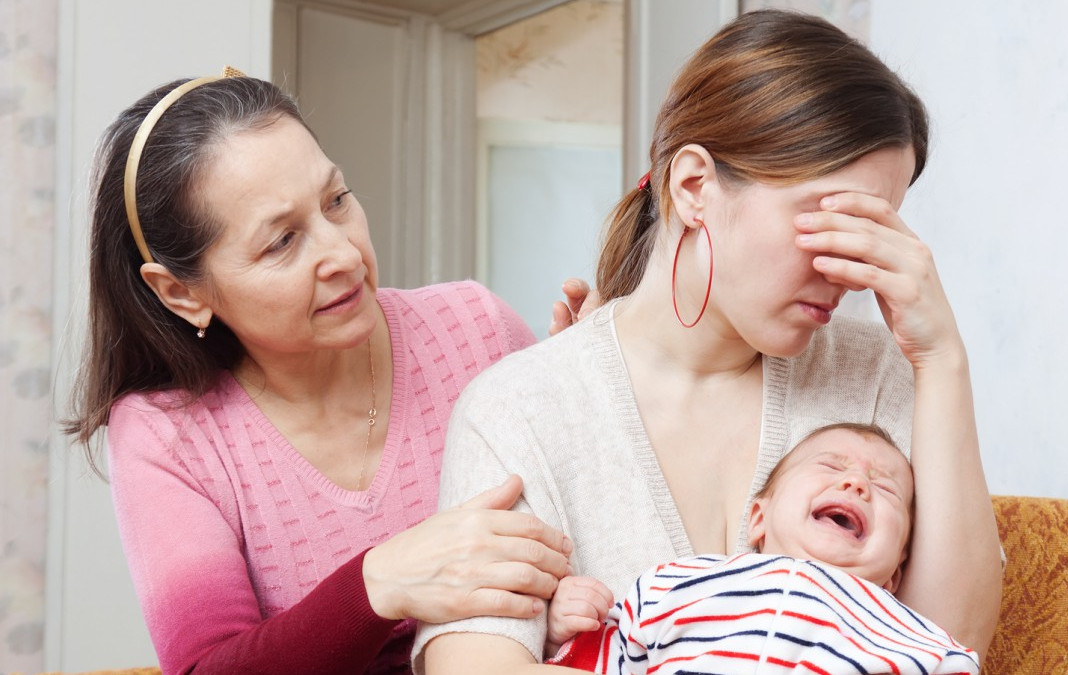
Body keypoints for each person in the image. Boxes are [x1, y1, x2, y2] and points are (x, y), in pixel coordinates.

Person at [416, 9, 1002, 674]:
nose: (850, 270)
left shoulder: (875, 375)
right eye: (830, 222)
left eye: (872, 231)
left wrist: (942, 359)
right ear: (695, 187)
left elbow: (949, 647)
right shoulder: (519, 409)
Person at [63, 69, 576, 675]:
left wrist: (588, 401)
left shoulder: (476, 328)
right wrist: (378, 585)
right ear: (181, 293)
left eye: (337, 200)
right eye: (281, 242)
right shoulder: (169, 435)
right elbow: (207, 668)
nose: (343, 253)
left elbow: (595, 563)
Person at [542, 423, 980, 674]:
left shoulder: (908, 632)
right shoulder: (677, 582)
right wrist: (568, 631)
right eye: (830, 465)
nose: (856, 483)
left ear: (895, 575)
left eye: (884, 488)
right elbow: (615, 658)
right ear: (759, 519)